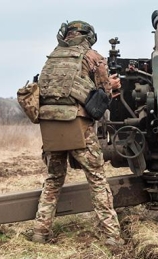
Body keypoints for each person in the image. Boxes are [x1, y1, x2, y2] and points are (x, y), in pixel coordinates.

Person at [30, 20, 122, 245]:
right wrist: (113, 86)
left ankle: (40, 233)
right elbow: (103, 95)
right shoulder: (93, 57)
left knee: (53, 179)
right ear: (89, 35)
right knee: (97, 179)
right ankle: (111, 236)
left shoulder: (52, 57)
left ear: (65, 34)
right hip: (77, 125)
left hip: (50, 126)